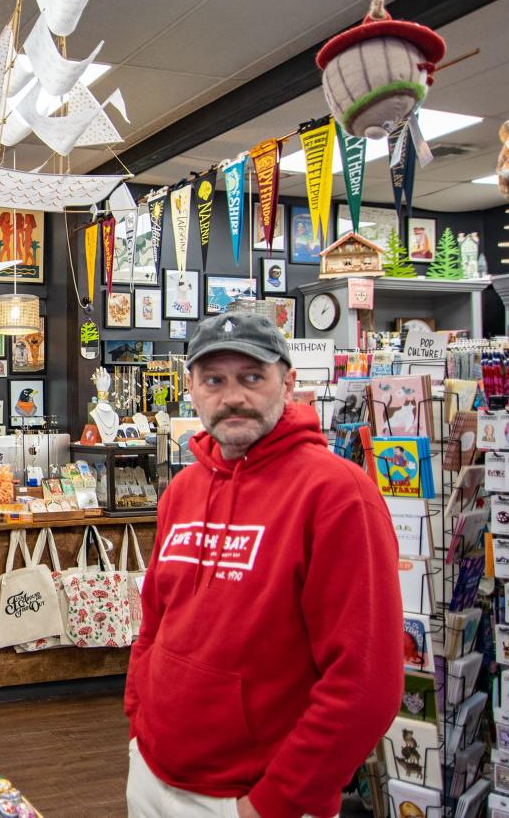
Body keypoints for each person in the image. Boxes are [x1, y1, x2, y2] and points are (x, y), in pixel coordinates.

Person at [125, 312, 402, 818]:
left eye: (252, 377)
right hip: (150, 772)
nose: (232, 396)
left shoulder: (339, 495)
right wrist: (139, 721)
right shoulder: (183, 490)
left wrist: (271, 803)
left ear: (288, 382)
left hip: (251, 799)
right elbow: (155, 621)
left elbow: (366, 682)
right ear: (191, 388)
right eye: (214, 380)